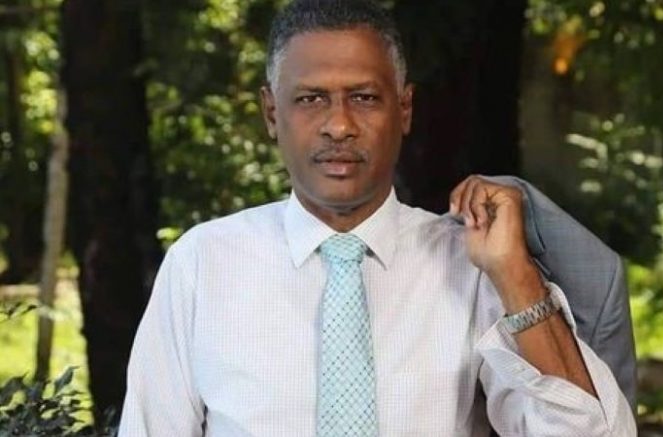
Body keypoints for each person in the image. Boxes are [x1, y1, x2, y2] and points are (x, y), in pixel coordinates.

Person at [118, 0, 636, 435]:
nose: (339, 126)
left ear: (404, 109)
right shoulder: (203, 263)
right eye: (311, 99)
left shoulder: (470, 265)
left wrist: (516, 275)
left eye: (364, 98)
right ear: (272, 113)